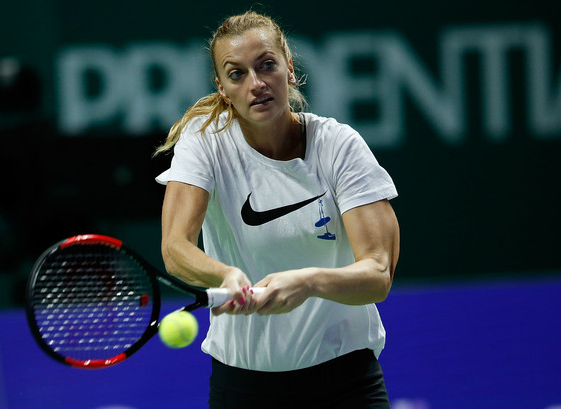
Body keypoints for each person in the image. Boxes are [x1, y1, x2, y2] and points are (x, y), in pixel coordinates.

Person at [155, 10, 400, 409]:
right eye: (237, 74)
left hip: (345, 384)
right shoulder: (204, 144)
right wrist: (227, 274)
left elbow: (378, 273)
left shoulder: (339, 146)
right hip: (244, 389)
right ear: (222, 88)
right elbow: (175, 249)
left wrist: (308, 281)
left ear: (289, 68)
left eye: (266, 65)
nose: (256, 84)